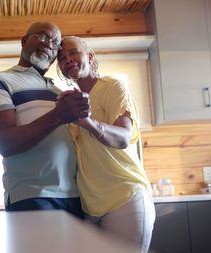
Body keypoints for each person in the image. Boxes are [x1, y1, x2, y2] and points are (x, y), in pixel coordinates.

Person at [0, 22, 90, 219]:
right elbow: (5, 143)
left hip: (75, 197)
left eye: (55, 43)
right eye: (42, 36)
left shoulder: (58, 91)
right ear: (23, 41)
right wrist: (58, 115)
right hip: (32, 197)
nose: (49, 43)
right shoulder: (0, 81)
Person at [56, 36, 155, 252]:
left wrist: (87, 122)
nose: (67, 59)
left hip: (124, 197)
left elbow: (122, 137)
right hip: (89, 206)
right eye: (61, 57)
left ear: (90, 57)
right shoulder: (69, 102)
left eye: (73, 52)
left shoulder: (112, 86)